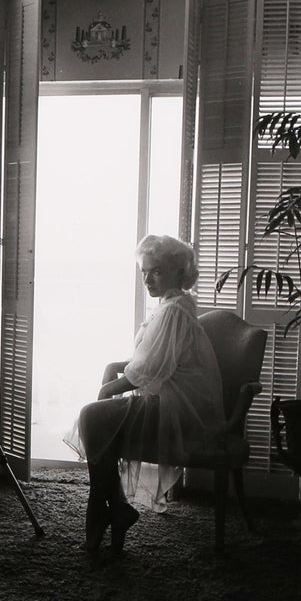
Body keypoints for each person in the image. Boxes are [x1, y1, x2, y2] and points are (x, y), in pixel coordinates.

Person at [64, 234, 224, 554]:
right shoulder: (168, 306)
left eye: (156, 271)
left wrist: (112, 386)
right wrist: (115, 366)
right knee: (98, 425)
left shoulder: (176, 310)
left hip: (180, 409)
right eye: (143, 271)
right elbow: (148, 360)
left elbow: (153, 368)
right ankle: (115, 509)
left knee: (90, 417)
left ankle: (105, 511)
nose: (147, 279)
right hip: (166, 399)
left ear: (179, 273)